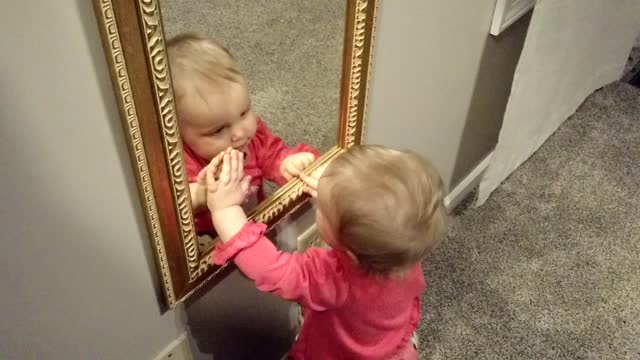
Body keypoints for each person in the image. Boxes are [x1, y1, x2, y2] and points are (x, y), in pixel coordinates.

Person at [205, 145, 448, 359]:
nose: (319, 208)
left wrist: (225, 210)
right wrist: (339, 194)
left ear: (347, 245)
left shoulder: (332, 277)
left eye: (324, 210)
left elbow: (270, 269)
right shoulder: (404, 249)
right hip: (391, 346)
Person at [166, 33, 319, 236]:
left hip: (257, 219)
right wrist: (201, 194)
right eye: (218, 130)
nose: (240, 132)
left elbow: (273, 154)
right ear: (177, 134)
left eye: (244, 111)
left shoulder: (252, 136)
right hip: (212, 240)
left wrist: (288, 164)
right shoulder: (179, 161)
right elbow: (169, 207)